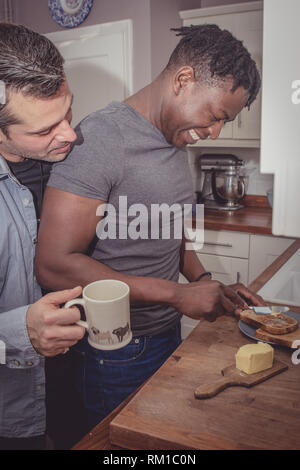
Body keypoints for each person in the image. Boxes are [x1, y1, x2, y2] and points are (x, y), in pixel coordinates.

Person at [35, 24, 264, 432]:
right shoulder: (101, 138)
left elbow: (169, 233)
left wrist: (206, 282)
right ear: (183, 80)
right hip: (118, 348)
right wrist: (178, 294)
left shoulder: (176, 141)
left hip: (166, 333)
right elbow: (53, 264)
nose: (215, 132)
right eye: (216, 116)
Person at [0, 23, 86, 450]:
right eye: (43, 130)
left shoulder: (64, 158)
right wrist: (19, 331)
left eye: (67, 113)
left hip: (71, 376)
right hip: (9, 407)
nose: (69, 134)